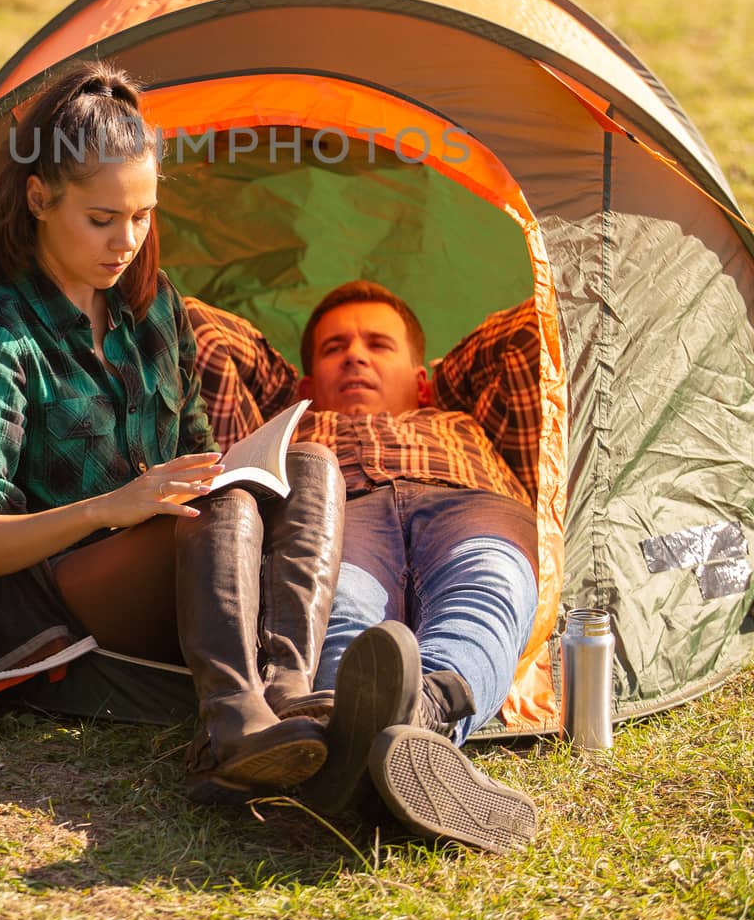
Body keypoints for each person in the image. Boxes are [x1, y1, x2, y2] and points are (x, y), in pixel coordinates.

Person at [0, 62, 344, 802]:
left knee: (309, 466)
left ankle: (281, 692)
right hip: (59, 602)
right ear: (39, 199)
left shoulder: (152, 308)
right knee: (221, 505)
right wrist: (109, 508)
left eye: (142, 216)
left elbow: (196, 455)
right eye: (101, 219)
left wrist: (229, 470)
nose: (125, 240)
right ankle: (231, 725)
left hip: (175, 562)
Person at [186, 283, 542, 851]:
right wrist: (284, 385)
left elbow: (537, 327)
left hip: (468, 504)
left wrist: (449, 375)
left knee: (488, 585)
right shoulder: (288, 428)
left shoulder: (464, 417)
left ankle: (419, 724)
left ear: (423, 379)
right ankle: (392, 747)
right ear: (305, 382)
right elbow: (199, 329)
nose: (355, 354)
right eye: (334, 348)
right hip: (336, 512)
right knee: (341, 605)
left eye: (379, 344)